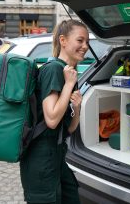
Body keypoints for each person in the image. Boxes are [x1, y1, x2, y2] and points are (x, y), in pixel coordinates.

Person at [20, 20, 88, 203]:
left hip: (56, 155)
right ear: (63, 40)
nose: (85, 46)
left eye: (87, 42)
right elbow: (51, 119)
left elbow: (69, 128)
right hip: (41, 159)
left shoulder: (69, 73)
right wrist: (68, 85)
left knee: (71, 195)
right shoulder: (53, 70)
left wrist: (77, 107)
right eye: (80, 40)